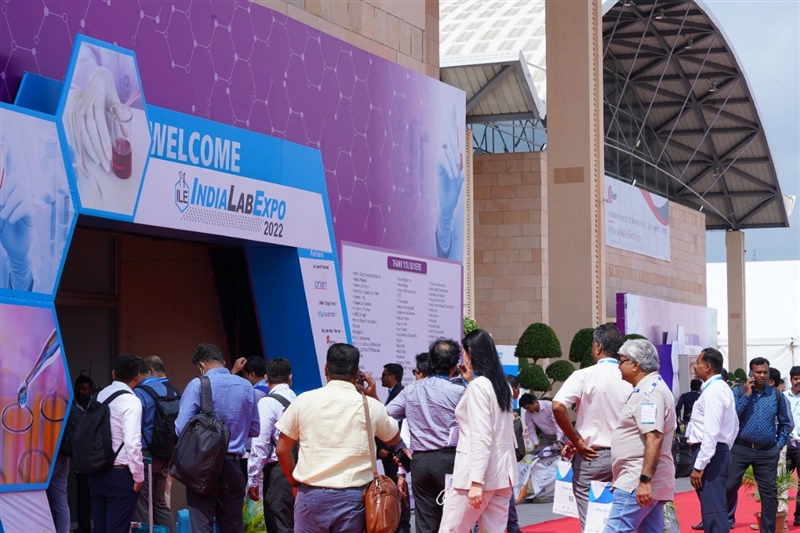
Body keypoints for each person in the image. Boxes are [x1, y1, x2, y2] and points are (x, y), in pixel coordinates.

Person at [275, 343, 400, 533]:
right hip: (354, 499)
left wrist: (294, 483)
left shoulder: (303, 401)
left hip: (311, 495)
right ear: (357, 372)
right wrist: (374, 396)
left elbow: (282, 449)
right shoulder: (370, 405)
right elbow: (393, 438)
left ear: (326, 369)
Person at [552, 324, 631, 530]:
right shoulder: (631, 377)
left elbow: (558, 405)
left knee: (592, 523)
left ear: (598, 347)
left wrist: (577, 441)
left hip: (592, 457)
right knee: (623, 518)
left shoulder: (584, 375)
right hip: (626, 456)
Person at [175, 343, 260, 533]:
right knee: (233, 527)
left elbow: (181, 428)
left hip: (202, 467)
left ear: (201, 366)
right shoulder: (246, 386)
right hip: (233, 466)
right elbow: (255, 429)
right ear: (223, 361)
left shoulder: (198, 384)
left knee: (201, 527)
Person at [438, 329, 517, 532]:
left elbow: (482, 436)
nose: (463, 358)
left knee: (451, 529)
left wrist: (476, 481)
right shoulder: (503, 386)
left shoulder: (480, 387)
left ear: (471, 353)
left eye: (464, 352)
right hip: (502, 475)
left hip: (478, 476)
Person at [386, 340, 465, 533]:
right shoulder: (459, 392)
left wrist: (399, 445)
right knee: (454, 520)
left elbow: (384, 415)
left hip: (420, 461)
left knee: (425, 522)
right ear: (454, 367)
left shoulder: (411, 390)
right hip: (449, 460)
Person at [604, 339, 676, 533]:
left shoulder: (648, 393)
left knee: (615, 529)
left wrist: (644, 481)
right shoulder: (650, 387)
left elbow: (654, 437)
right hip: (642, 478)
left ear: (635, 365)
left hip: (636, 479)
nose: (618, 366)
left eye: (621, 361)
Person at [723, 357, 791, 533]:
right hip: (741, 448)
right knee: (729, 486)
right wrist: (747, 395)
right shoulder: (738, 391)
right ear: (751, 373)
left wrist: (778, 446)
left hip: (767, 451)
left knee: (769, 495)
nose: (761, 375)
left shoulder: (776, 395)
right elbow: (731, 416)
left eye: (765, 372)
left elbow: (785, 423)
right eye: (758, 372)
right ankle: (721, 525)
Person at [89, 355, 145, 533]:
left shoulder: (97, 397)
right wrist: (138, 476)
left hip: (95, 472)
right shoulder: (131, 401)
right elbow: (132, 442)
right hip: (120, 474)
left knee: (99, 528)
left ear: (113, 373)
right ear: (137, 377)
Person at [686, 348, 738, 533]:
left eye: (697, 363)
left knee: (713, 511)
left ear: (707, 367)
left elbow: (711, 431)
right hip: (716, 452)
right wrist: (724, 447)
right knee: (714, 509)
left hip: (710, 453)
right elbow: (734, 424)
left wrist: (700, 465)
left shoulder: (713, 391)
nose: (694, 366)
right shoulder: (720, 388)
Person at [247, 358, 296, 533]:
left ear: (266, 378)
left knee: (279, 524)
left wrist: (253, 481)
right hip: (302, 469)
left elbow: (259, 445)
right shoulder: (298, 400)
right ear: (290, 379)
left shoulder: (267, 403)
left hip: (279, 473)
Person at [132, 361, 176, 532]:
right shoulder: (171, 390)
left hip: (146, 455)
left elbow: (134, 426)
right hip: (165, 454)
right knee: (159, 502)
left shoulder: (139, 393)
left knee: (142, 503)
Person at [377, 363, 411, 533]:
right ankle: (398, 522)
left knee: (399, 486)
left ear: (392, 377)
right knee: (394, 487)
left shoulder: (401, 394)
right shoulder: (392, 394)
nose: (381, 378)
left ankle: (403, 523)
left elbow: (399, 425)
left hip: (395, 451)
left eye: (384, 375)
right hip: (388, 451)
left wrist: (388, 448)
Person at [73, 375, 94, 533]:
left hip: (96, 458)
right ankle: (84, 527)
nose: (81, 392)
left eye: (84, 389)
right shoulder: (70, 407)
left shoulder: (98, 406)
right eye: (78, 389)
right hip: (78, 458)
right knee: (83, 494)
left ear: (91, 390)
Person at [506, 374, 523, 533]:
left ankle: (512, 525)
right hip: (500, 455)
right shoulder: (502, 403)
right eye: (518, 388)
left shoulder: (507, 404)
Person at [785, 366, 800, 526]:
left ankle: (799, 516)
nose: (798, 381)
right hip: (786, 444)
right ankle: (779, 516)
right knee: (781, 481)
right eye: (796, 378)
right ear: (791, 380)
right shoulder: (782, 397)